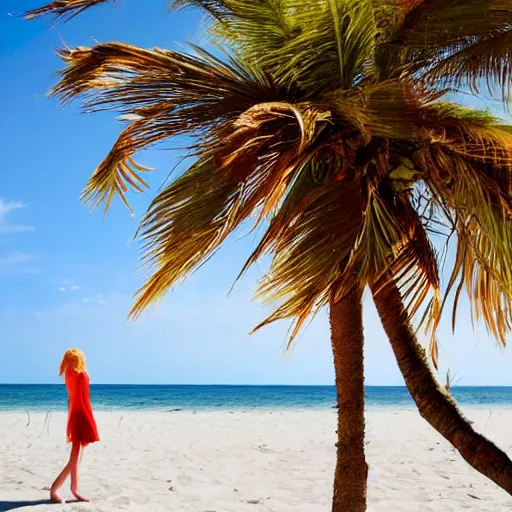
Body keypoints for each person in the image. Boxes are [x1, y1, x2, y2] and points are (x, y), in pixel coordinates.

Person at [50, 348, 100, 503]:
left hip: (74, 414)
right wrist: (90, 422)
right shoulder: (82, 375)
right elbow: (84, 400)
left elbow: (72, 399)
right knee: (75, 456)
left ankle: (60, 489)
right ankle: (70, 489)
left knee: (75, 456)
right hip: (80, 415)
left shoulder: (68, 375)